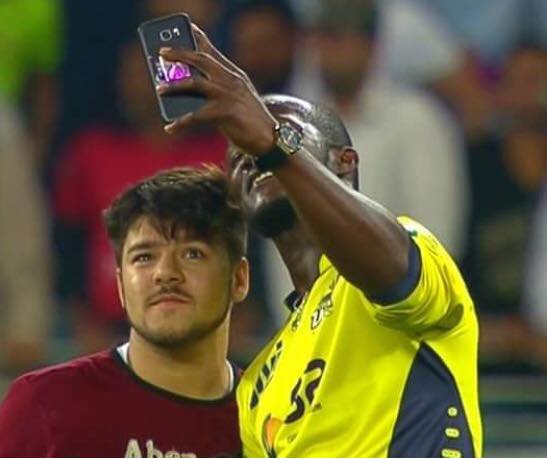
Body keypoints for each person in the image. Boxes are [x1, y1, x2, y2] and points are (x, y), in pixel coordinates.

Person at [157, 25, 482, 457]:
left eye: (284, 132)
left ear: (344, 163)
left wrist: (273, 144)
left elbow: (388, 272)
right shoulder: (258, 384)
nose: (252, 154)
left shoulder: (408, 252)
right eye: (240, 155)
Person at [0, 167, 249, 457]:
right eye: (144, 257)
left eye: (193, 254)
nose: (165, 273)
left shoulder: (274, 413)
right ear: (120, 284)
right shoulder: (46, 405)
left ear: (239, 279)